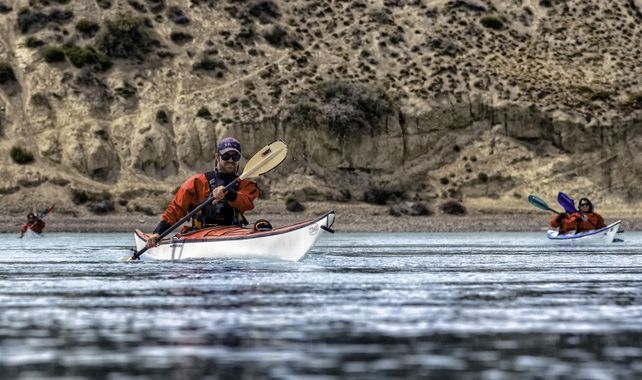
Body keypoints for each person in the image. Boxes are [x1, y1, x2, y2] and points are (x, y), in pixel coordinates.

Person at [145, 137, 260, 248]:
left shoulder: (245, 185)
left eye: (235, 156)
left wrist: (229, 193)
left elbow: (246, 202)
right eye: (225, 156)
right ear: (217, 157)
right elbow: (176, 209)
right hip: (200, 233)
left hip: (233, 232)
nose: (230, 160)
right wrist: (158, 233)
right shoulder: (197, 182)